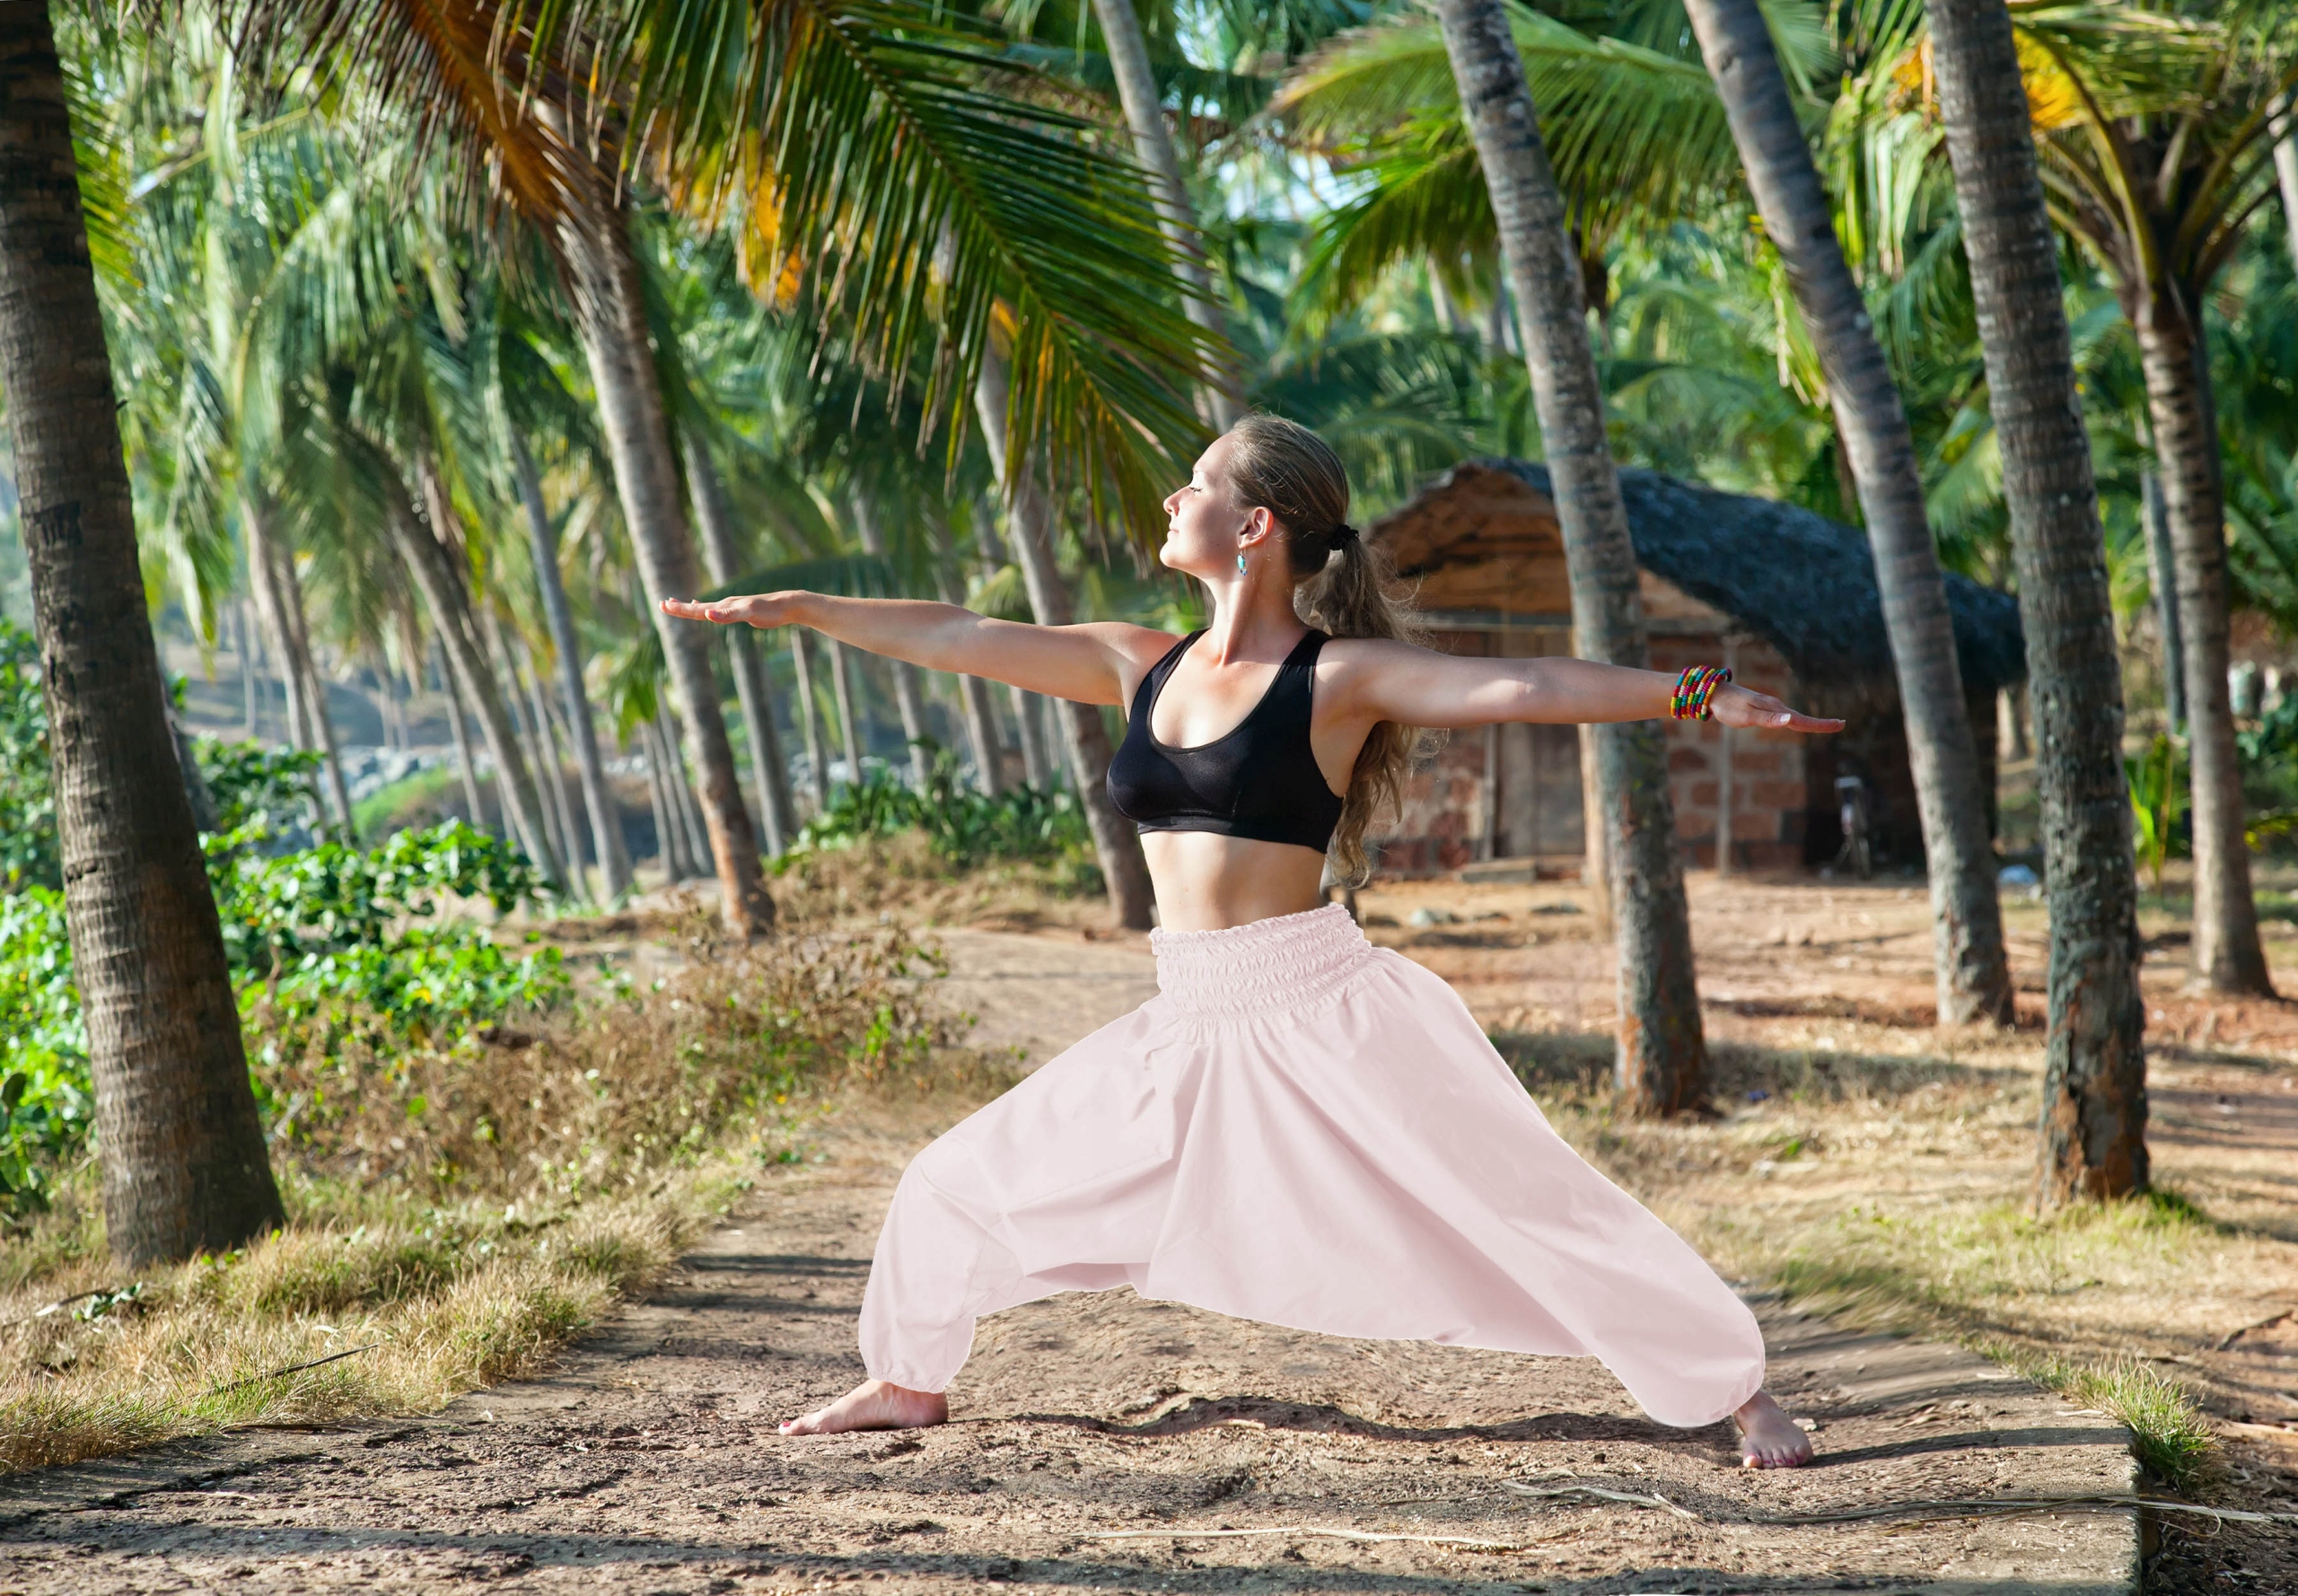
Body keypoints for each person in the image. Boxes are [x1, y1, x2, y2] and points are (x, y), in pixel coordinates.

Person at [662, 415, 1842, 1469]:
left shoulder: (1338, 678)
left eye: (1194, 484)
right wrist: (802, 609)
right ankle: (909, 1378)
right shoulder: (1139, 660)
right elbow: (962, 630)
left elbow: (1523, 683)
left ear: (1255, 523)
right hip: (1187, 1016)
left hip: (1322, 1006)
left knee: (1523, 1200)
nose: (1173, 500)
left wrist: (1702, 694)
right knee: (947, 1180)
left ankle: (1737, 1386)